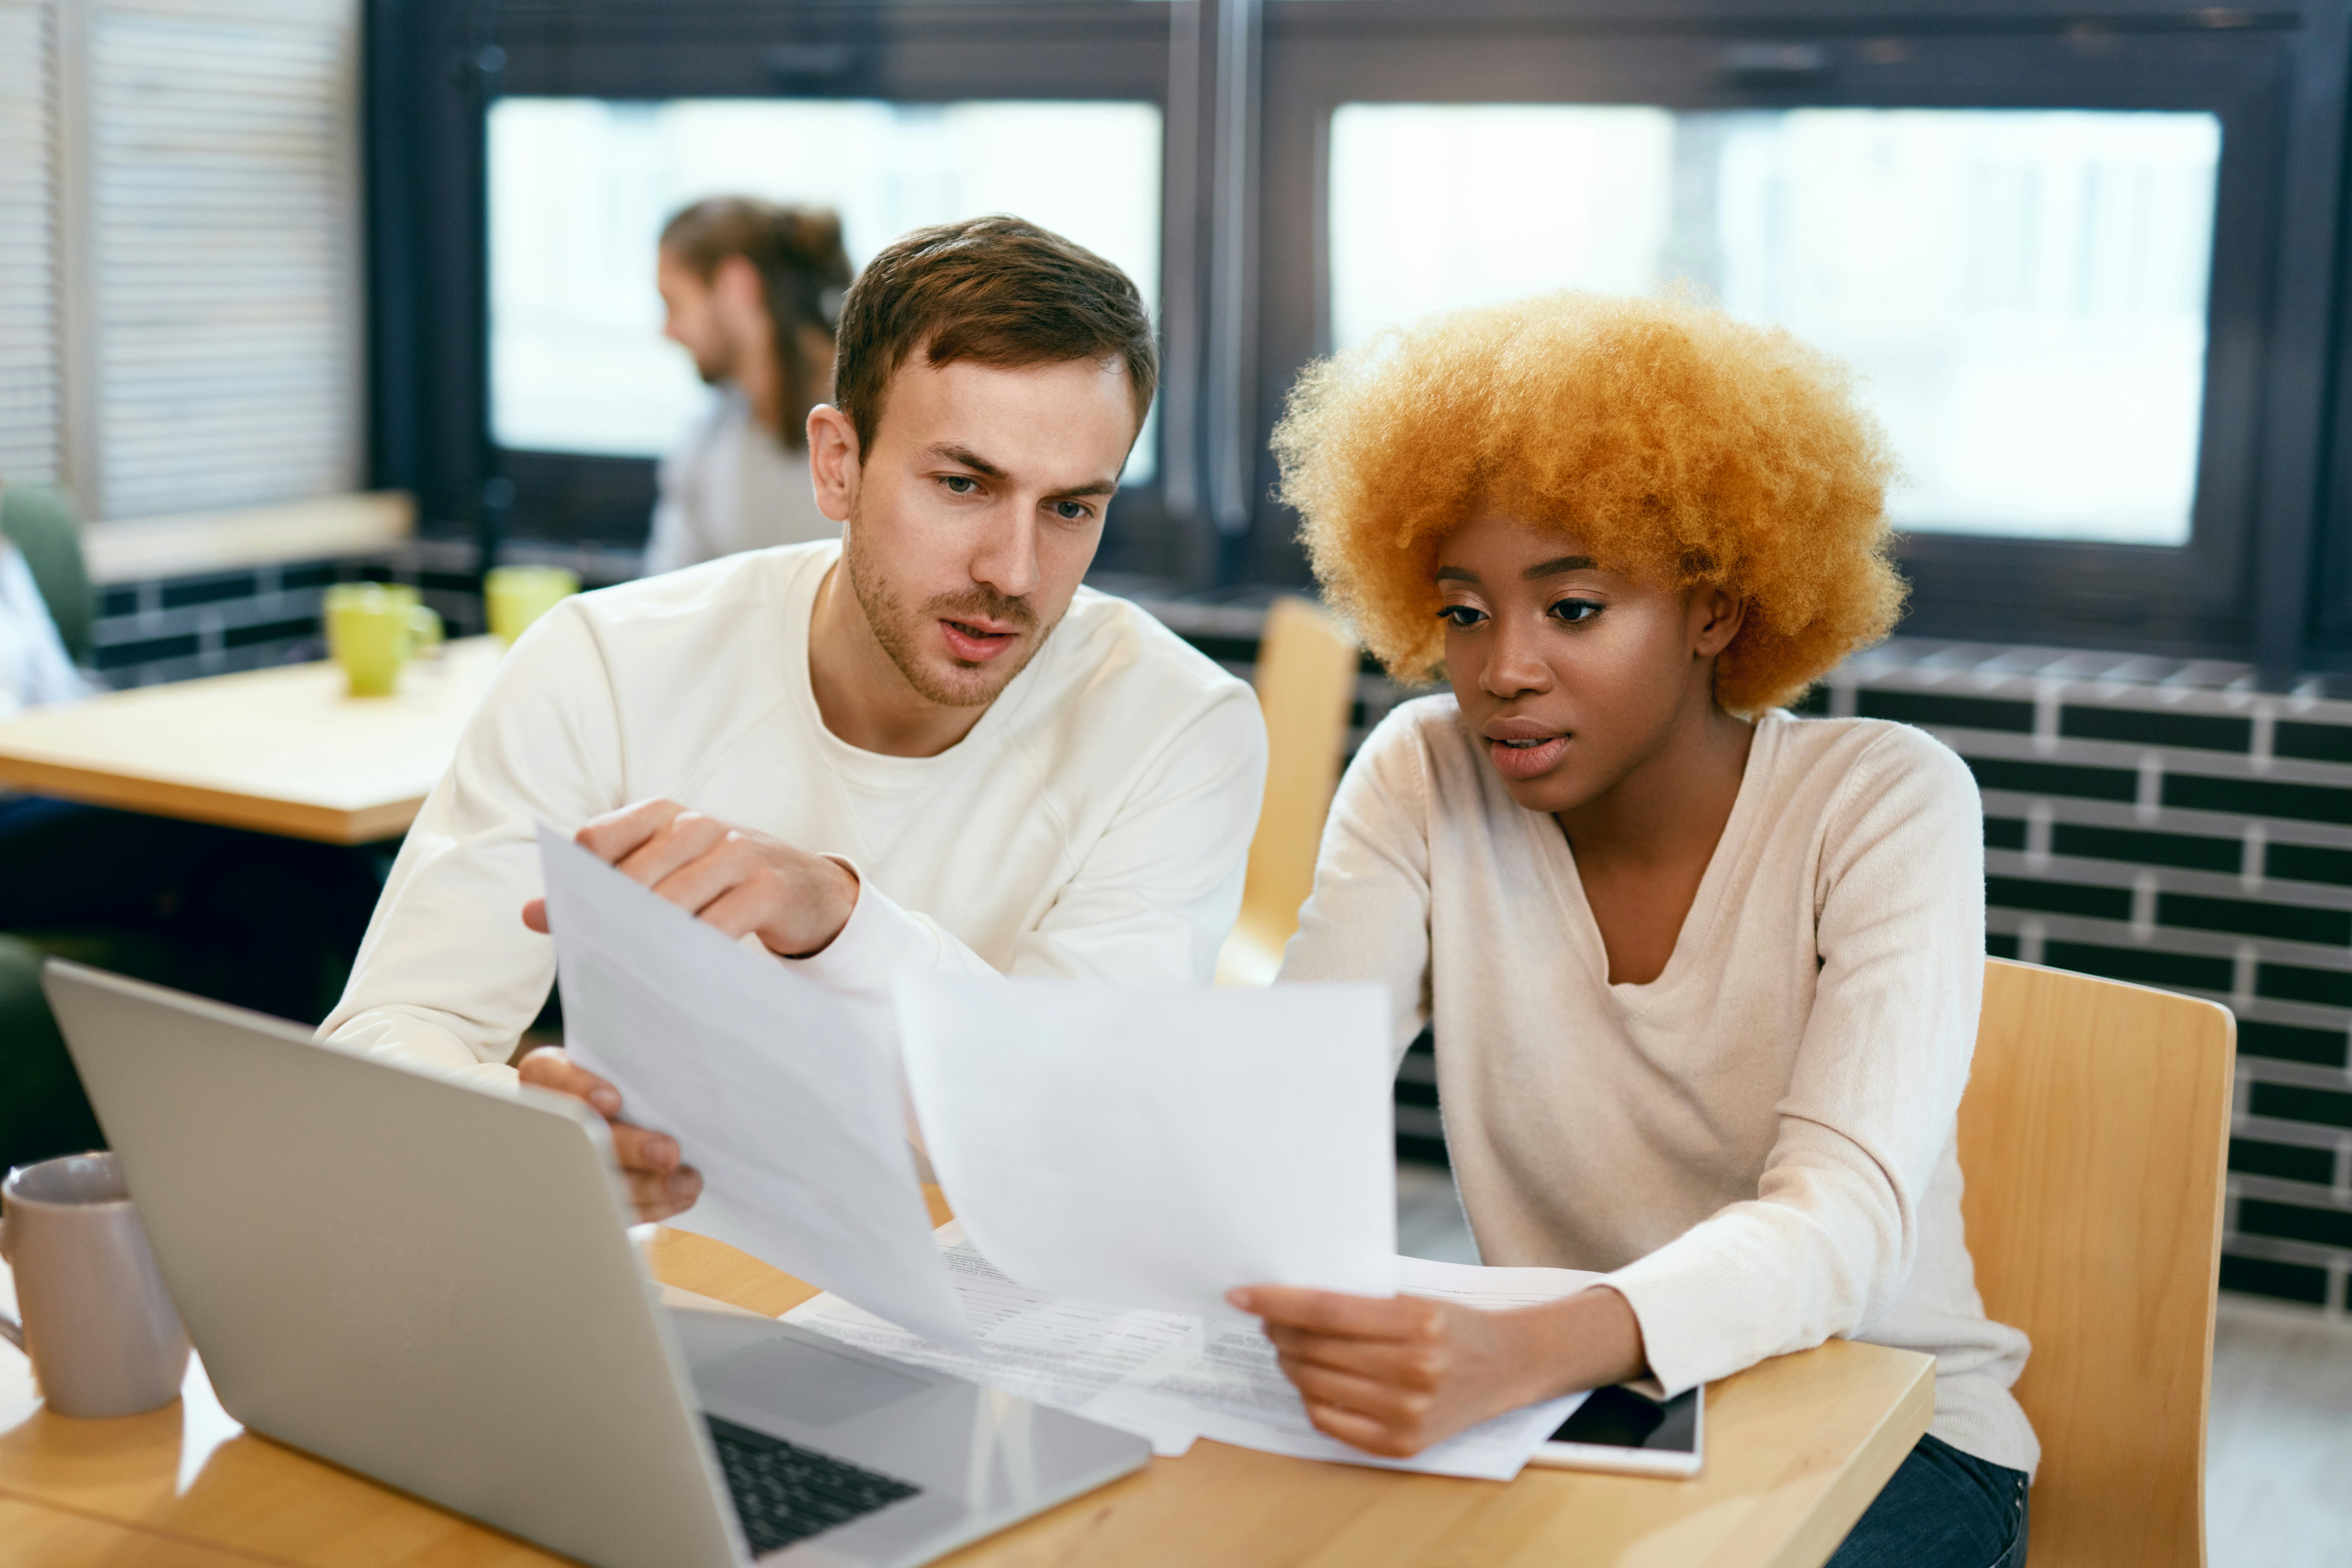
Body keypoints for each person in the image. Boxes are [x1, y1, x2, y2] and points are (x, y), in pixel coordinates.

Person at [1232, 291, 2033, 1568]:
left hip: (1889, 1428)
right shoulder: (1423, 775)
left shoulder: (1884, 801)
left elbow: (1842, 1226)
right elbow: (1277, 1095)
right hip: (1561, 1416)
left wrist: (1522, 1346)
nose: (1502, 668)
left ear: (1714, 609)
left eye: (1576, 608)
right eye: (1462, 610)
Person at [322, 216, 1267, 1225]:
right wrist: (530, 1129)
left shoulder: (1179, 724)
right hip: (674, 1285)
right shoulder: (605, 662)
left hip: (998, 1308)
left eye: (1072, 508)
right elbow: (391, 1029)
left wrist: (834, 917)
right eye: (963, 484)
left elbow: (1068, 1123)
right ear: (838, 465)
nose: (1015, 571)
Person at [646, 197, 853, 574]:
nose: (668, 331)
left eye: (674, 303)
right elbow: (665, 597)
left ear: (736, 285)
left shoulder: (872, 423)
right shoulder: (706, 445)